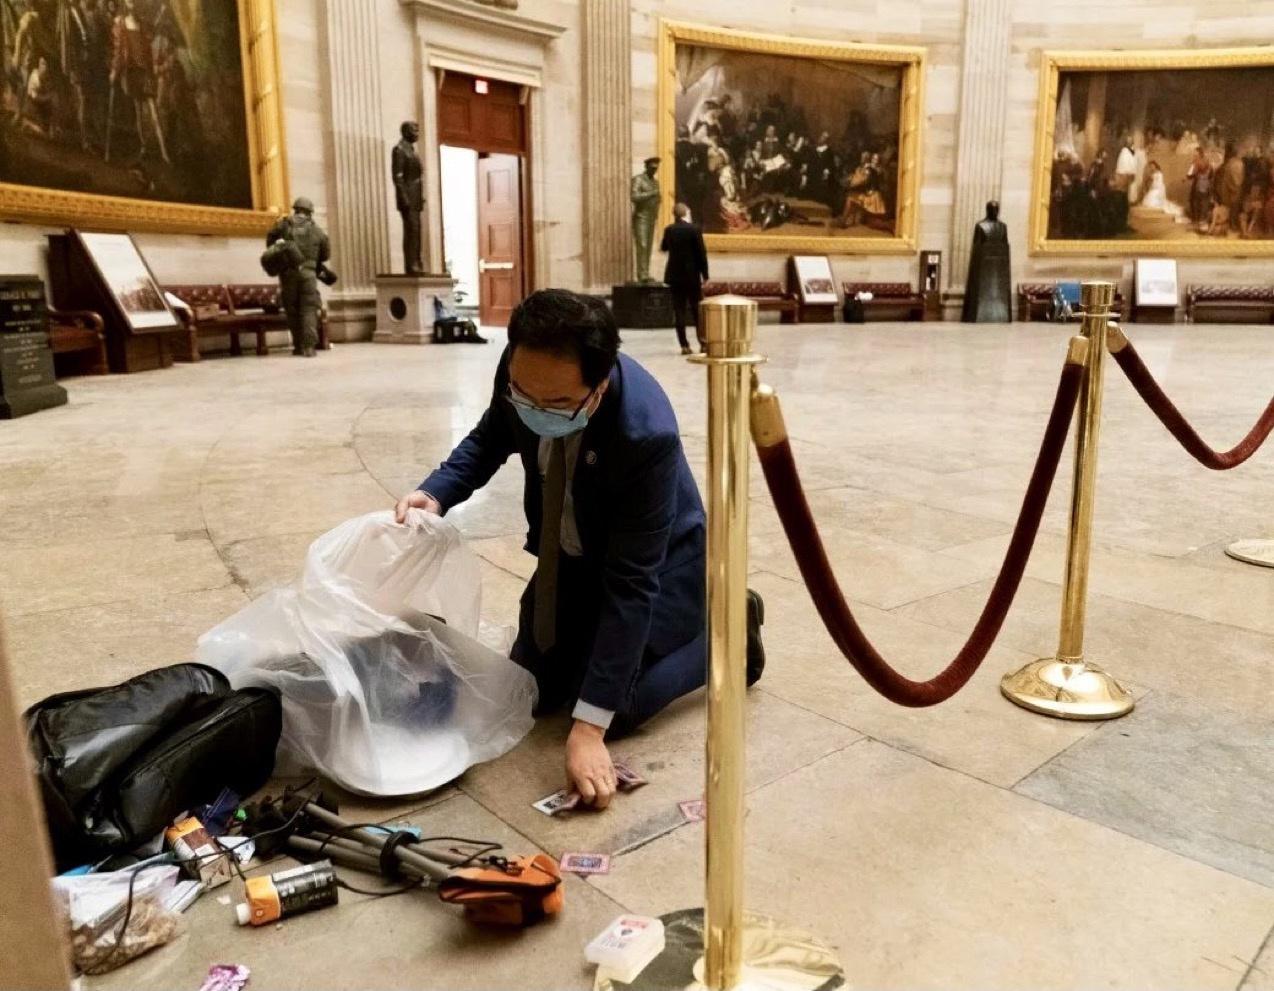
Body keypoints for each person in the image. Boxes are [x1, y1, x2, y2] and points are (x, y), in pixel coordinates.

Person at [394, 290, 765, 809]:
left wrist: (590, 731)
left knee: (616, 706)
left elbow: (633, 584)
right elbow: (492, 434)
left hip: (658, 565)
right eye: (526, 396)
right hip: (572, 553)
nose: (537, 410)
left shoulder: (645, 434)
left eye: (560, 404)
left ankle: (729, 632)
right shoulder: (526, 365)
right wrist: (436, 493)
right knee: (533, 682)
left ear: (601, 383)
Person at [266, 196, 331, 357]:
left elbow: (270, 241)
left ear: (295, 209)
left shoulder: (284, 225)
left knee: (292, 310)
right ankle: (309, 347)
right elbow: (326, 255)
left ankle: (298, 346)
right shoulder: (318, 231)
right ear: (310, 213)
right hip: (308, 275)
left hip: (288, 274)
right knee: (309, 309)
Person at [660, 203, 709, 355]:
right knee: (697, 311)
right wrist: (705, 275)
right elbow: (702, 254)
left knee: (679, 310)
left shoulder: (669, 230)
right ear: (686, 213)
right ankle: (703, 343)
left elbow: (664, 248)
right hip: (692, 276)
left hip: (674, 276)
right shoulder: (694, 230)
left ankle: (684, 346)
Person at [392, 121, 425, 274]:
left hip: (415, 197)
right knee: (411, 231)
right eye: (414, 130)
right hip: (408, 198)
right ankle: (411, 264)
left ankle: (417, 261)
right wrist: (404, 198)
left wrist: (420, 196)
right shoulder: (399, 150)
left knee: (417, 231)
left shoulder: (411, 150)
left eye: (418, 130)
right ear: (405, 132)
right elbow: (398, 177)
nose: (417, 133)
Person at [630, 157, 661, 283]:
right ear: (647, 166)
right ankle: (641, 274)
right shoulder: (638, 179)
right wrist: (651, 194)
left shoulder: (655, 182)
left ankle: (645, 273)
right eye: (652, 168)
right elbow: (634, 196)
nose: (654, 170)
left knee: (648, 247)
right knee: (642, 245)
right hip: (641, 217)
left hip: (651, 217)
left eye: (656, 168)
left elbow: (658, 198)